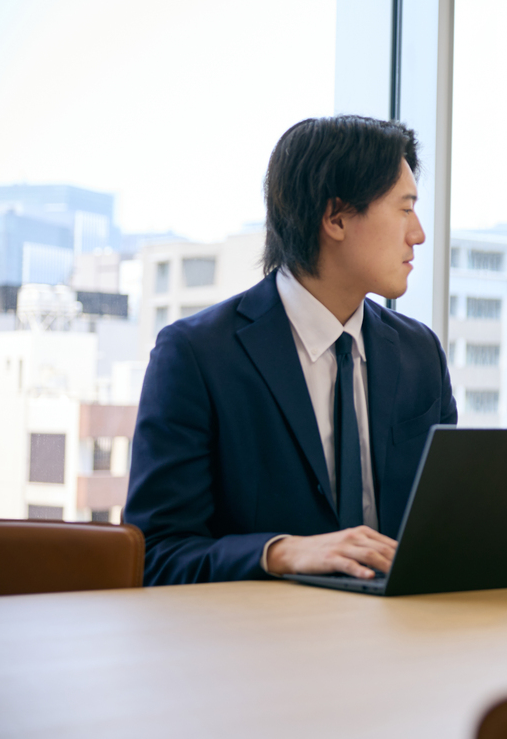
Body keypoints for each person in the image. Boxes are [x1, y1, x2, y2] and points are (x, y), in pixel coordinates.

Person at [125, 115, 457, 584]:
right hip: (263, 642)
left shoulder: (419, 351)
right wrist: (279, 553)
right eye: (404, 209)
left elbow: (442, 524)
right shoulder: (197, 356)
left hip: (405, 636)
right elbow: (155, 554)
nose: (418, 233)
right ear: (335, 217)